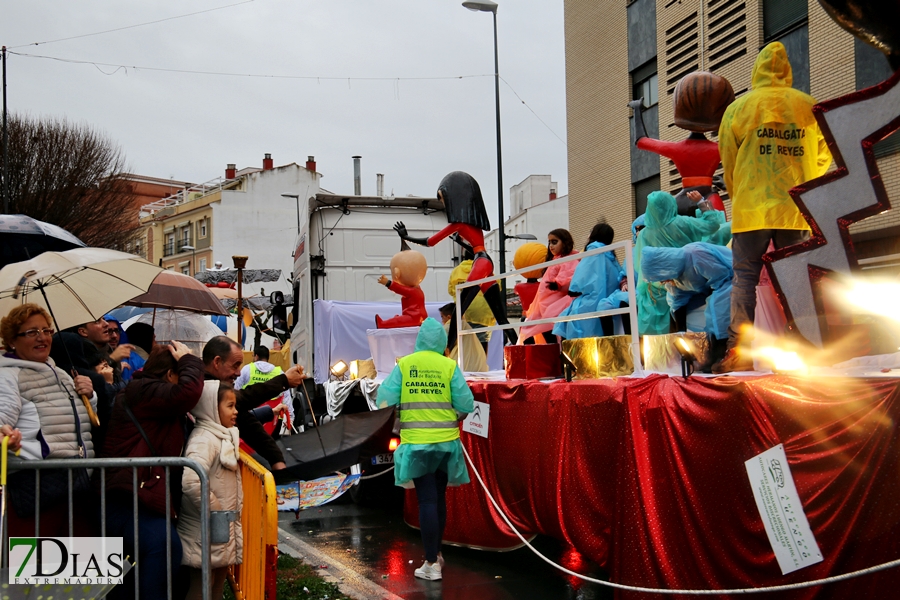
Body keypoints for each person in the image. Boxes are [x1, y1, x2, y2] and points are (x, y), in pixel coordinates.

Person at [714, 41, 832, 373]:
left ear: (757, 69)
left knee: (744, 278)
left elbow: (729, 159)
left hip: (751, 209)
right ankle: (804, 345)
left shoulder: (739, 108)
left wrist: (739, 197)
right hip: (794, 208)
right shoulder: (807, 105)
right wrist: (807, 179)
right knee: (795, 279)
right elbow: (826, 151)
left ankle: (739, 349)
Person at [100, 341, 204, 600]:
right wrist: (190, 361)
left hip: (143, 494)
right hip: (126, 496)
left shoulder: (148, 392)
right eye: (182, 373)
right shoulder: (142, 390)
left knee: (166, 568)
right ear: (170, 375)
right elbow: (187, 393)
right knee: (163, 547)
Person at [376, 318, 474, 581]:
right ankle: (437, 554)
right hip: (445, 444)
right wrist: (456, 416)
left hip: (417, 444)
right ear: (442, 342)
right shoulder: (449, 365)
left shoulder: (406, 365)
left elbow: (382, 399)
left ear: (419, 340)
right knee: (438, 497)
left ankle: (431, 563)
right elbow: (466, 403)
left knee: (427, 499)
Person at [0, 303, 97, 536]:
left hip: (75, 484)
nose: (42, 337)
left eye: (46, 331)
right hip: (36, 488)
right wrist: (5, 437)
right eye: (32, 332)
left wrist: (90, 397)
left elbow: (82, 422)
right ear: (12, 340)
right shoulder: (7, 376)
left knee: (77, 568)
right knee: (33, 568)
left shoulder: (59, 372)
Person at [394, 171, 517, 350]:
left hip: (481, 262)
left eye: (444, 199)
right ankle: (523, 345)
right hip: (484, 261)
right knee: (500, 316)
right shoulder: (473, 223)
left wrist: (406, 236)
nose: (443, 203)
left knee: (458, 312)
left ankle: (447, 352)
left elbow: (430, 242)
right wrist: (461, 241)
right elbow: (477, 248)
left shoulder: (458, 224)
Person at [179, 380, 243, 600]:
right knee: (202, 588)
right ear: (210, 407)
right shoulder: (204, 439)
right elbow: (191, 480)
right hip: (204, 530)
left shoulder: (222, 435)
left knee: (215, 587)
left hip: (218, 530)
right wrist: (215, 510)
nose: (235, 412)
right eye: (230, 406)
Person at [202, 336, 305, 471]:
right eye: (235, 366)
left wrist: (276, 459)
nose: (238, 373)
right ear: (217, 362)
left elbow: (249, 424)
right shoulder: (203, 389)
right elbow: (245, 398)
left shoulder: (224, 391)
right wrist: (283, 381)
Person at [634, 190, 726, 335]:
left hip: (658, 291)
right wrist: (701, 202)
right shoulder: (682, 223)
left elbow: (640, 265)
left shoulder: (644, 235)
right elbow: (713, 225)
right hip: (693, 278)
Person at [641, 242, 734, 365]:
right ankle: (699, 350)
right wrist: (681, 334)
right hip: (708, 287)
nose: (662, 282)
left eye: (660, 277)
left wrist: (710, 300)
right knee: (677, 308)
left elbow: (721, 278)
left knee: (716, 306)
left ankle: (720, 350)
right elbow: (677, 301)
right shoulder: (674, 276)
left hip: (730, 279)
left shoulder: (695, 255)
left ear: (664, 267)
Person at [553, 221, 629, 340]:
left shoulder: (593, 251)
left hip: (591, 301)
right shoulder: (611, 256)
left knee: (565, 320)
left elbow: (581, 277)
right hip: (608, 300)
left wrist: (573, 289)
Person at [518, 229, 579, 344]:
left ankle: (557, 357)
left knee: (549, 329)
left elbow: (569, 273)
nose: (551, 246)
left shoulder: (569, 258)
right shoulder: (555, 260)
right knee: (534, 332)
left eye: (554, 242)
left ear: (565, 242)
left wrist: (558, 283)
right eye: (549, 242)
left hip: (556, 303)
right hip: (544, 303)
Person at [234, 345, 293, 431]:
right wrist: (290, 418)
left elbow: (235, 391)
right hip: (274, 420)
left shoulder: (247, 369)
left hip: (251, 417)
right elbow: (286, 397)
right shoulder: (279, 372)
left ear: (256, 356)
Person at [440, 303, 488, 372]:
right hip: (480, 369)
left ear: (449, 317)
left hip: (461, 370)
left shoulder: (448, 327)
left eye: (442, 317)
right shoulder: (467, 326)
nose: (442, 321)